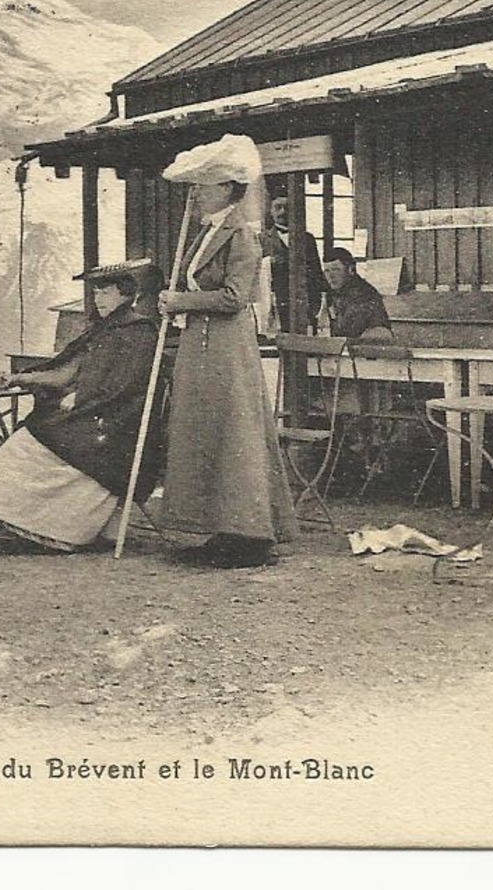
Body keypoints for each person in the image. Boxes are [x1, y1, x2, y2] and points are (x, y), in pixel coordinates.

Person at [0, 264, 162, 554]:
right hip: (93, 415)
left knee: (32, 440)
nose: (97, 298)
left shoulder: (138, 331)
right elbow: (65, 373)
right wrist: (18, 377)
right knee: (23, 440)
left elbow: (122, 387)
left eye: (104, 291)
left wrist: (81, 398)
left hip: (118, 425)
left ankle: (3, 525)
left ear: (125, 294)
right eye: (94, 292)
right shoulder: (103, 329)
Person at [155, 135, 299, 568]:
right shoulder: (206, 232)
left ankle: (250, 532)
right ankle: (219, 526)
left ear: (225, 188)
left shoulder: (242, 236)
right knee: (207, 429)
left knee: (234, 433)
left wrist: (182, 302)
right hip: (201, 345)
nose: (195, 194)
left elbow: (236, 297)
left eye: (202, 186)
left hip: (227, 347)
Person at [261, 194, 326, 333]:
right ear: (271, 211)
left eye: (287, 208)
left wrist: (317, 304)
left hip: (303, 301)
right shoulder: (261, 239)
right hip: (276, 301)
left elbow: (316, 272)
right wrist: (268, 263)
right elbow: (253, 271)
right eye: (278, 207)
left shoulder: (307, 239)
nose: (283, 212)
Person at [321, 248, 394, 341]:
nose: (330, 276)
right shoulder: (333, 291)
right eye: (327, 271)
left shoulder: (364, 294)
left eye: (336, 270)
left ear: (351, 270)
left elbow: (349, 331)